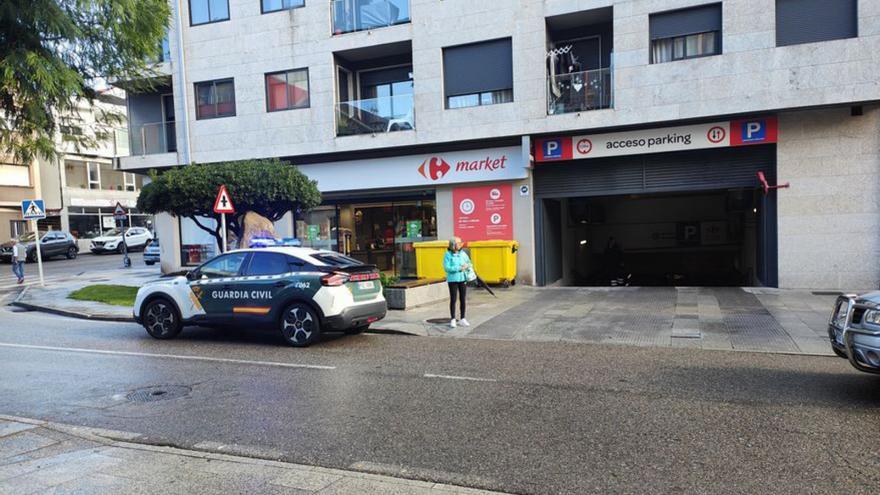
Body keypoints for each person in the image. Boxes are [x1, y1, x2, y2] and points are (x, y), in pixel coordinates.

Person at [443, 237, 471, 328]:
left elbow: (469, 263)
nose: (460, 244)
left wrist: (467, 266)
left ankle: (463, 318)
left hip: (463, 278)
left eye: (460, 243)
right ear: (453, 245)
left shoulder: (463, 253)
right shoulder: (447, 254)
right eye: (458, 243)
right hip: (453, 279)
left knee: (463, 299)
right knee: (453, 299)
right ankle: (453, 319)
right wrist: (458, 268)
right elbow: (447, 268)